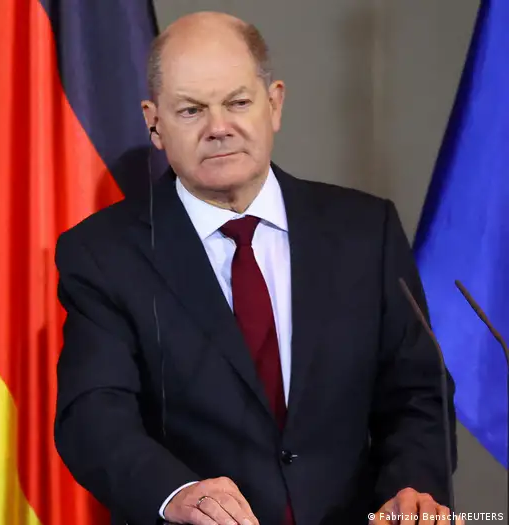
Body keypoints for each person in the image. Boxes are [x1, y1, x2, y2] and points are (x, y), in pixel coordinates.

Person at [53, 11, 458, 525]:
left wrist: (410, 490)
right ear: (154, 123)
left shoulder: (365, 231)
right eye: (191, 110)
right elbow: (94, 415)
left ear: (275, 103)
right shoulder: (103, 254)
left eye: (238, 102)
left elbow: (418, 393)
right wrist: (176, 493)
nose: (219, 128)